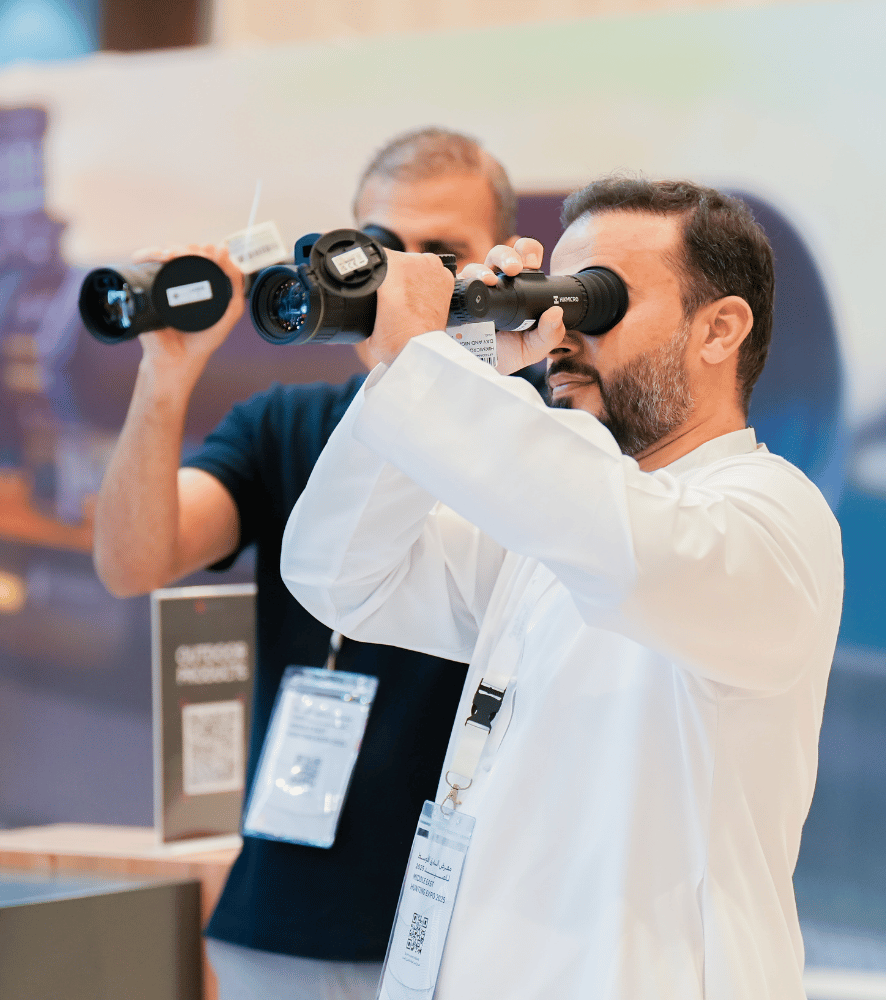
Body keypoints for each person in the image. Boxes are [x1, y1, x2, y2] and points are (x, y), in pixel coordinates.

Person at [280, 178, 845, 999]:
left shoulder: (771, 517)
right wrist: (454, 361)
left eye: (597, 300)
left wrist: (427, 364)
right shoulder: (549, 534)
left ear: (719, 329)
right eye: (557, 298)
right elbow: (339, 575)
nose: (564, 334)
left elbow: (622, 544)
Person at [93, 127, 519, 1000]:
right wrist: (166, 376)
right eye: (383, 247)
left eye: (441, 253)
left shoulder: (541, 438)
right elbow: (133, 562)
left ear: (499, 260)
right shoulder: (284, 425)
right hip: (280, 925)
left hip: (471, 928)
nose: (403, 278)